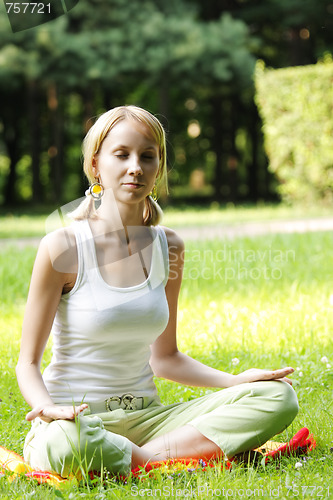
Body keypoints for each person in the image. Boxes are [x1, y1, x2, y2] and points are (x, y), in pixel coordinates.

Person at [16, 105, 299, 479]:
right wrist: (47, 409)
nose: (136, 166)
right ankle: (165, 459)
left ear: (159, 167)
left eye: (148, 157)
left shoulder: (170, 246)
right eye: (122, 155)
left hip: (148, 418)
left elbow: (165, 358)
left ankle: (139, 458)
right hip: (76, 420)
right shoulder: (63, 247)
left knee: (277, 396)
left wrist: (235, 381)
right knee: (62, 444)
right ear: (96, 165)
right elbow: (28, 364)